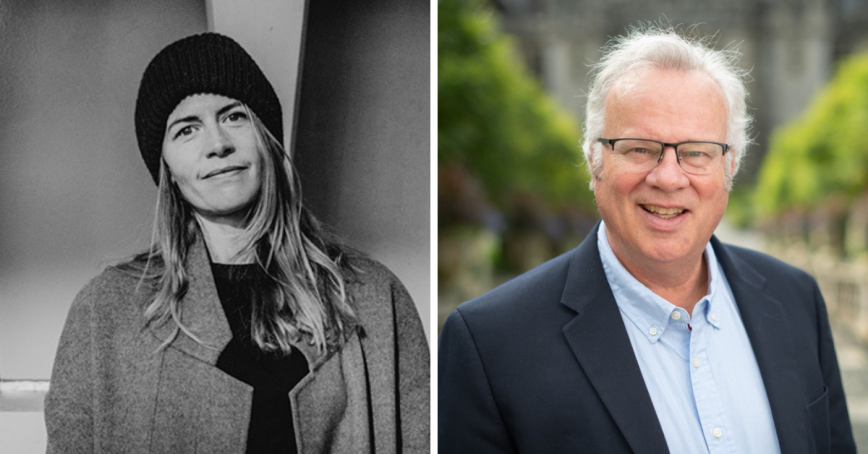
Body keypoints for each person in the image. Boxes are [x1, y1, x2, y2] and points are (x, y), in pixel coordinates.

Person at [439, 26, 856, 454]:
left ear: (729, 165)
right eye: (639, 148)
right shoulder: (490, 345)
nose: (669, 177)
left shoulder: (797, 299)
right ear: (594, 158)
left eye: (697, 152)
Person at [44, 32, 429, 454]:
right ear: (168, 167)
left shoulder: (374, 298)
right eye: (187, 129)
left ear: (266, 137)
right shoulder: (107, 310)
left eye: (233, 117)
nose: (218, 144)